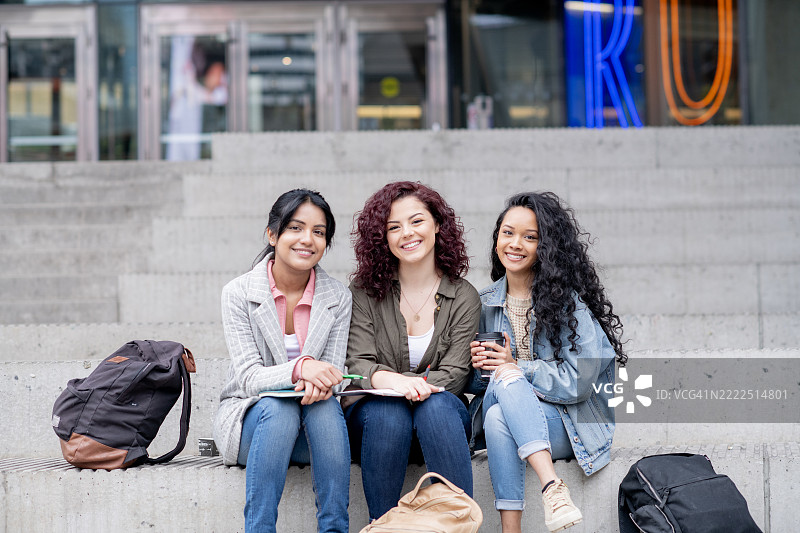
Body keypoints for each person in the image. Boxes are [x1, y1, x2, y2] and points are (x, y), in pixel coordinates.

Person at [468, 192, 627, 533]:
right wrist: (475, 367)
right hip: (510, 403)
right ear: (497, 238)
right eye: (508, 233)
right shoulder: (482, 304)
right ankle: (552, 488)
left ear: (547, 248)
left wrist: (516, 367)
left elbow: (579, 382)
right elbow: (475, 384)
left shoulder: (568, 305)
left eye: (530, 237)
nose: (515, 243)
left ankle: (518, 523)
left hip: (567, 422)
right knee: (501, 390)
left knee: (499, 413)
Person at [213, 189, 352, 533]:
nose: (308, 239)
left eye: (319, 232)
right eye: (295, 228)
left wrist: (324, 383)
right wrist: (301, 368)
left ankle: (334, 528)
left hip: (314, 432)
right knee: (278, 407)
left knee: (325, 405)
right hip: (253, 425)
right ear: (272, 234)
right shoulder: (238, 293)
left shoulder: (338, 297)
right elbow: (249, 378)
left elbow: (337, 373)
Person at [344, 181, 481, 521]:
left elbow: (456, 374)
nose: (407, 233)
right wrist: (395, 382)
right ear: (383, 238)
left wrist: (404, 385)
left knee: (435, 405)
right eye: (394, 227)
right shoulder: (364, 292)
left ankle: (459, 526)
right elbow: (358, 363)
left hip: (440, 421)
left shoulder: (463, 296)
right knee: (388, 412)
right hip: (376, 424)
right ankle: (383, 526)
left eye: (417, 221)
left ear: (437, 225)